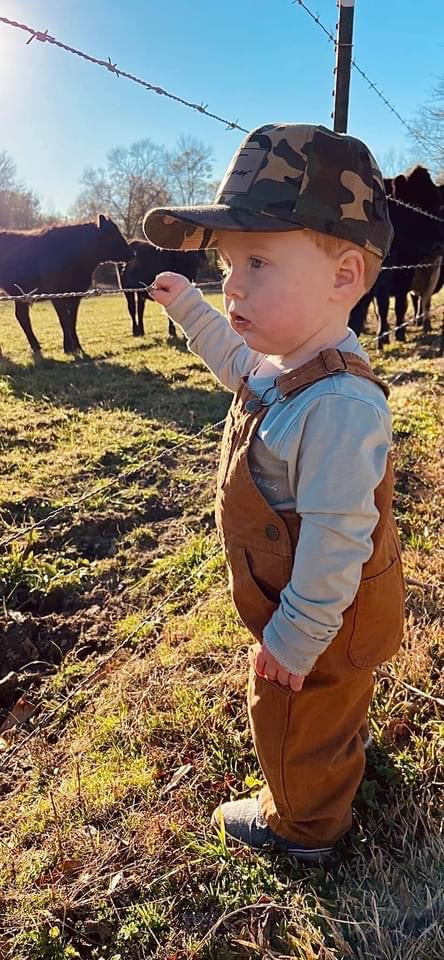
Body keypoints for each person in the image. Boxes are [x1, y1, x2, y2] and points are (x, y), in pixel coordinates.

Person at [143, 123, 405, 863]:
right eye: (229, 265)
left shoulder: (341, 406)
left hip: (322, 612)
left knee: (294, 708)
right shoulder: (284, 360)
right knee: (332, 704)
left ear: (344, 276)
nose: (234, 284)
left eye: (257, 261)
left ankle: (304, 825)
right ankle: (338, 748)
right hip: (319, 607)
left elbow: (337, 537)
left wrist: (295, 635)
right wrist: (193, 310)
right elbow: (238, 367)